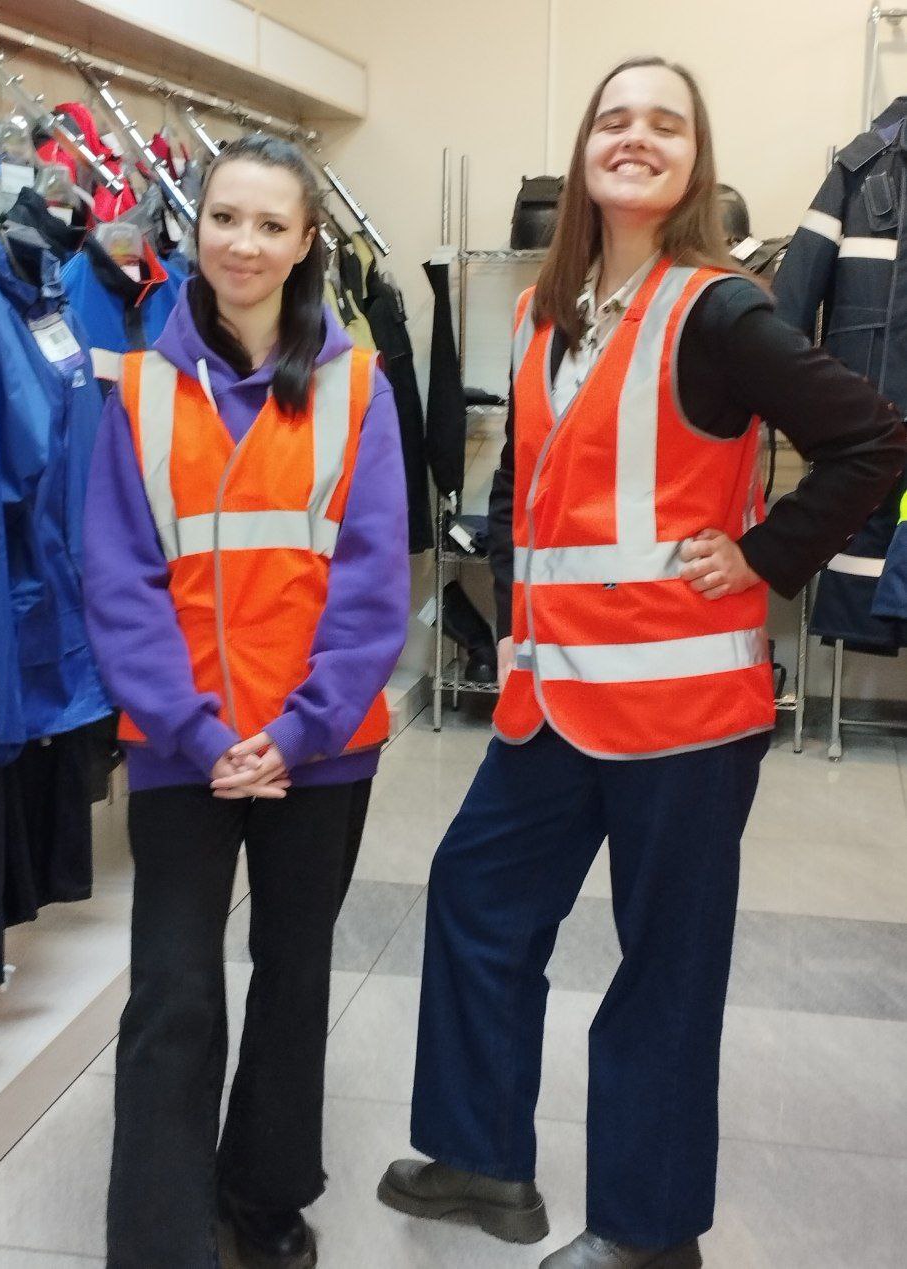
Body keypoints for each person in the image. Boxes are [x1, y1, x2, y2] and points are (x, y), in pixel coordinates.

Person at [378, 56, 906, 1269]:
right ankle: (478, 1155)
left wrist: (765, 553)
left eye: (663, 124)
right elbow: (523, 489)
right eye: (612, 119)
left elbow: (872, 439)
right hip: (551, 697)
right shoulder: (543, 314)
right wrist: (511, 605)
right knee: (473, 898)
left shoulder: (717, 310)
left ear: (691, 161)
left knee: (662, 970)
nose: (634, 137)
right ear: (581, 154)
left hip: (683, 712)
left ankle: (646, 1236)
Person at [83, 134, 410, 1269]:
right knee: (172, 988)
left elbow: (373, 585)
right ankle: (157, 1235)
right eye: (225, 217)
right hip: (184, 744)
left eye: (272, 224)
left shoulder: (356, 387)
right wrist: (199, 731)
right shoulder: (134, 390)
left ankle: (263, 1194)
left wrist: (299, 728)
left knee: (292, 976)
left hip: (320, 745)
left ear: (308, 242)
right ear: (195, 227)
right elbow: (117, 581)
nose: (245, 243)